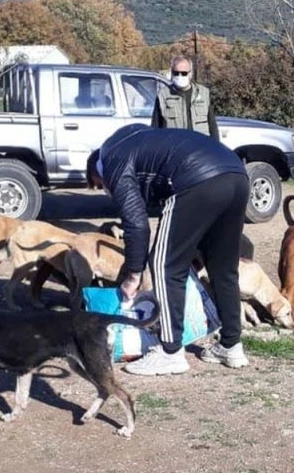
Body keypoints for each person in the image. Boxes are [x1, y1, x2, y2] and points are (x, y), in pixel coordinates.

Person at [86, 124, 249, 375]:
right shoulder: (136, 142)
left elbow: (137, 224)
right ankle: (231, 344)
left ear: (96, 170)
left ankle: (170, 351)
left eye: (100, 186)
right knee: (223, 267)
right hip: (236, 174)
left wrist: (133, 275)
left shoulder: (112, 161)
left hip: (194, 179)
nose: (106, 191)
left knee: (164, 265)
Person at [151, 55, 220, 141]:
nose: (180, 76)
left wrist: (216, 147)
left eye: (184, 73)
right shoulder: (163, 95)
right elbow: (155, 127)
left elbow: (212, 125)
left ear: (191, 73)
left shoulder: (203, 93)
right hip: (174, 148)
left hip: (200, 147)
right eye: (176, 73)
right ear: (172, 73)